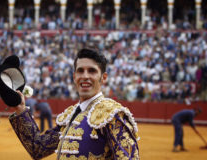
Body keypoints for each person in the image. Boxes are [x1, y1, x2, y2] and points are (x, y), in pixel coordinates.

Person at [9, 48, 140, 159]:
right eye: (80, 71)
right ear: (74, 76)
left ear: (103, 77)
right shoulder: (70, 115)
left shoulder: (112, 114)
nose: (85, 76)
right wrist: (20, 109)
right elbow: (37, 147)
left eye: (92, 71)